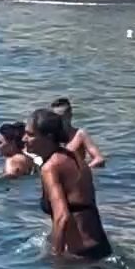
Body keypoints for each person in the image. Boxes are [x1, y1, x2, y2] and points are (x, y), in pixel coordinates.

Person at [24, 109, 112, 260]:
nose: (24, 138)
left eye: (31, 135)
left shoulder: (50, 167)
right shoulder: (75, 158)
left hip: (80, 256)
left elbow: (62, 217)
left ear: (48, 137)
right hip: (101, 248)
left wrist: (55, 258)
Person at [50, 97, 105, 168]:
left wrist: (82, 171)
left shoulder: (80, 134)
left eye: (61, 117)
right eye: (54, 117)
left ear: (70, 116)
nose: (57, 120)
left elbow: (99, 159)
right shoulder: (50, 136)